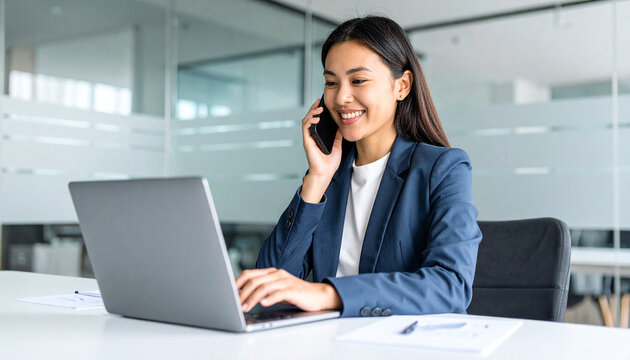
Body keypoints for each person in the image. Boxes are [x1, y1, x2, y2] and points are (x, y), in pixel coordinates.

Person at [235, 16, 482, 317]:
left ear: (401, 86)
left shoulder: (442, 169)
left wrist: (329, 293)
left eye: (358, 80)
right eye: (331, 82)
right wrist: (317, 177)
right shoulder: (331, 177)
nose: (341, 97)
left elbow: (450, 286)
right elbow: (269, 286)